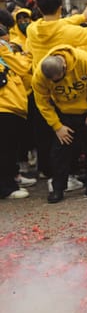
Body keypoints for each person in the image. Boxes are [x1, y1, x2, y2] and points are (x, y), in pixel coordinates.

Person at [33, 46, 87, 203]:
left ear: (65, 67)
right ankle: (58, 188)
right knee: (60, 151)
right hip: (64, 114)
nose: (54, 83)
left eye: (58, 78)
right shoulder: (39, 76)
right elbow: (43, 103)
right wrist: (57, 126)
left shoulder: (83, 61)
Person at [0, 30, 33, 199]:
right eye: (4, 42)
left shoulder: (7, 59)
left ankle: (11, 180)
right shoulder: (6, 56)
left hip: (13, 109)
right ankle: (6, 188)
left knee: (9, 150)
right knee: (5, 150)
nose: (7, 45)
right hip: (4, 108)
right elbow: (24, 66)